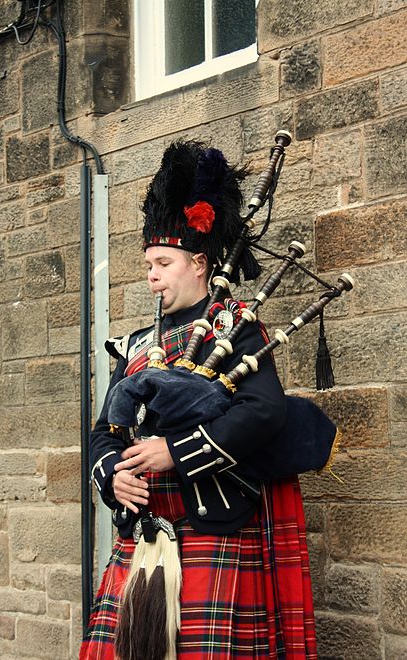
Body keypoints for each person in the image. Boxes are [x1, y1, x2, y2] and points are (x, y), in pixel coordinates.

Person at [80, 141, 317, 659]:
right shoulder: (137, 343)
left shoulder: (236, 328)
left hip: (212, 531)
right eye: (148, 264)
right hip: (142, 539)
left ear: (200, 264)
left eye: (163, 262)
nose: (152, 275)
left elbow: (264, 411)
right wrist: (112, 475)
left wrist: (174, 452)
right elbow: (105, 432)